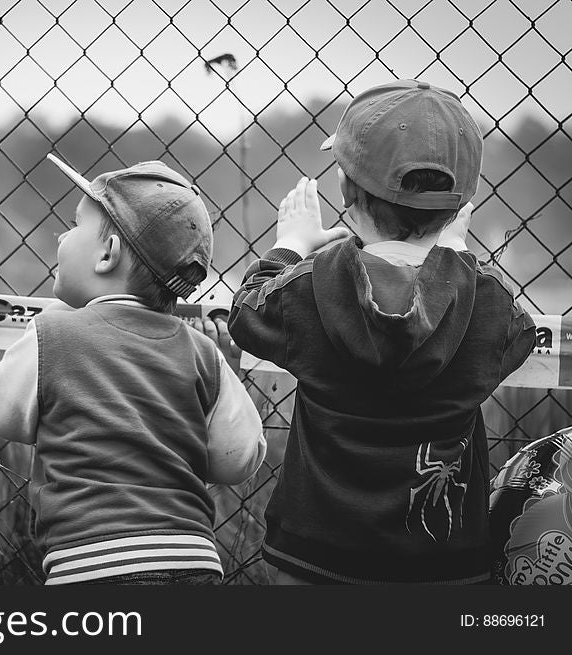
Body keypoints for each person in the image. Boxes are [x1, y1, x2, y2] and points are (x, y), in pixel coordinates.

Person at [228, 79, 536, 584]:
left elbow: (247, 313)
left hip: (312, 558)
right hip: (443, 567)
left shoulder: (311, 287)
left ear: (348, 190)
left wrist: (291, 245)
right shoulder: (486, 303)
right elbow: (516, 338)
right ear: (462, 204)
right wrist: (455, 258)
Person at [0, 155, 266, 585]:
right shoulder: (202, 352)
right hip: (192, 557)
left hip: (90, 563)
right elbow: (238, 459)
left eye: (75, 224)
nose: (63, 235)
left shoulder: (53, 332)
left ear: (107, 254)